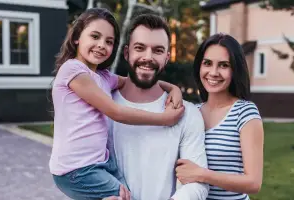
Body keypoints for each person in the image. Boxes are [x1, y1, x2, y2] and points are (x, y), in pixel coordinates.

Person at [50, 8, 185, 200]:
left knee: (127, 194)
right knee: (126, 197)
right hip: (76, 169)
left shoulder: (103, 77)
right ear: (77, 38)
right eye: (95, 36)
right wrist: (164, 119)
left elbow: (134, 79)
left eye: (109, 41)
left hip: (101, 162)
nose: (101, 45)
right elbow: (115, 112)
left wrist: (173, 89)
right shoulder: (73, 70)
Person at [108, 14, 209, 200]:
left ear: (167, 57)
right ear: (126, 52)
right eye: (140, 48)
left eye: (158, 50)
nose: (148, 57)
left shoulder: (187, 115)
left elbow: (197, 184)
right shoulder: (103, 108)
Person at [175, 33, 264, 200]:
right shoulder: (192, 112)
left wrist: (202, 174)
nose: (213, 72)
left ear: (235, 70)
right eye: (207, 63)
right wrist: (171, 89)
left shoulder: (244, 112)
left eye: (223, 65)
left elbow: (254, 183)